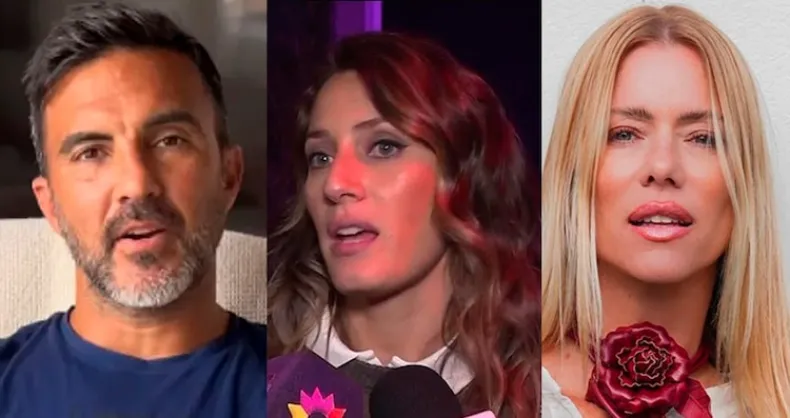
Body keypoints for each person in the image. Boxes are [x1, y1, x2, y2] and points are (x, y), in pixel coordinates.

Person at [0, 2, 267, 416]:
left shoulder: (311, 393)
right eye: (91, 152)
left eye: (170, 141)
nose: (137, 185)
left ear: (229, 176)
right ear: (50, 205)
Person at [266, 32, 541, 418]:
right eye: (321, 157)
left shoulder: (548, 384)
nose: (335, 184)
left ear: (463, 176)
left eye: (384, 147)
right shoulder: (255, 375)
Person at [541, 5, 790, 418]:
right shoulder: (492, 393)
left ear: (743, 184)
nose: (662, 167)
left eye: (703, 138)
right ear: (573, 172)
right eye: (624, 134)